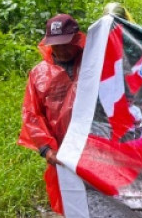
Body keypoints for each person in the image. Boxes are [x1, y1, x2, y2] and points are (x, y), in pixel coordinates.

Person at [18, 14, 87, 214]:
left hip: (96, 147)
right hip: (63, 152)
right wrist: (47, 149)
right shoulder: (39, 74)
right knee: (73, 202)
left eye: (66, 44)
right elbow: (32, 114)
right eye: (56, 45)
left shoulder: (94, 63)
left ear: (76, 39)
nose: (61, 50)